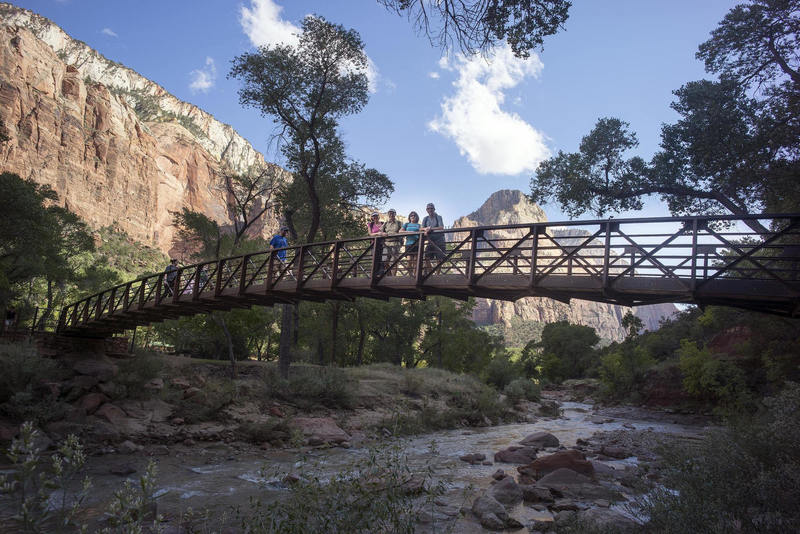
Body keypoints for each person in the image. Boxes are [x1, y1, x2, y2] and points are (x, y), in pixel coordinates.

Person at [381, 209, 403, 275]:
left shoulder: (399, 222)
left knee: (394, 261)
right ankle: (389, 275)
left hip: (395, 243)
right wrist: (382, 233)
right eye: (390, 213)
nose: (391, 215)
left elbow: (402, 230)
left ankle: (393, 277)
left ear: (395, 214)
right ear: (388, 214)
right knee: (384, 260)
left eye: (392, 213)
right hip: (386, 244)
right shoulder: (386, 223)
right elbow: (380, 231)